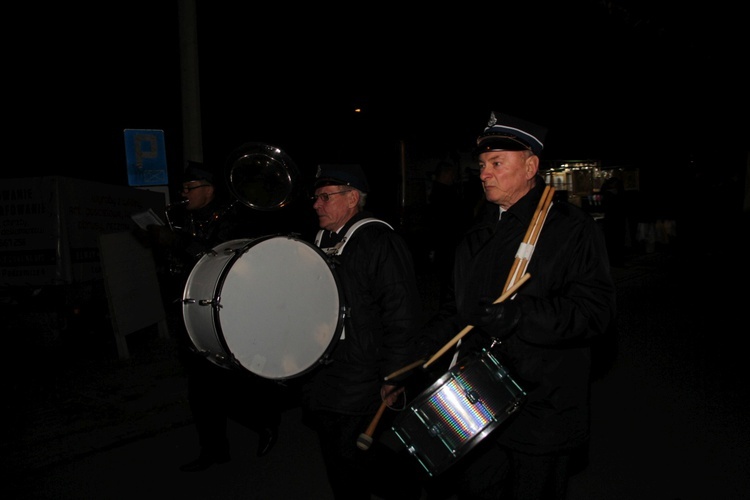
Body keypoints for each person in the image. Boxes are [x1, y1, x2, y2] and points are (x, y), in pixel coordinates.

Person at [417, 112, 616, 500]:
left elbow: (596, 312)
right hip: (479, 407)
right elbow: (454, 311)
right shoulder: (477, 235)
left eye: (496, 164)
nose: (484, 174)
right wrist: (412, 356)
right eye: (481, 165)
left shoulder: (571, 229)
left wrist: (520, 315)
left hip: (542, 410)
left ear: (531, 167)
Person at [145, 161, 282, 472]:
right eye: (183, 189)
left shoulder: (232, 219)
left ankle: (263, 421)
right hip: (190, 308)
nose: (184, 194)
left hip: (223, 310)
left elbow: (217, 259)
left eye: (190, 188)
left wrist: (177, 241)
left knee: (223, 381)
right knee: (200, 386)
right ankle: (215, 449)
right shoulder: (187, 217)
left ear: (209, 189)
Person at [301, 164, 425, 500]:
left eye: (325, 197)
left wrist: (395, 374)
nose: (316, 204)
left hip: (363, 372)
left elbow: (402, 312)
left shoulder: (378, 240)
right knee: (339, 450)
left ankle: (412, 486)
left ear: (353, 198)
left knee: (349, 452)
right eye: (316, 197)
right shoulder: (321, 240)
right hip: (326, 371)